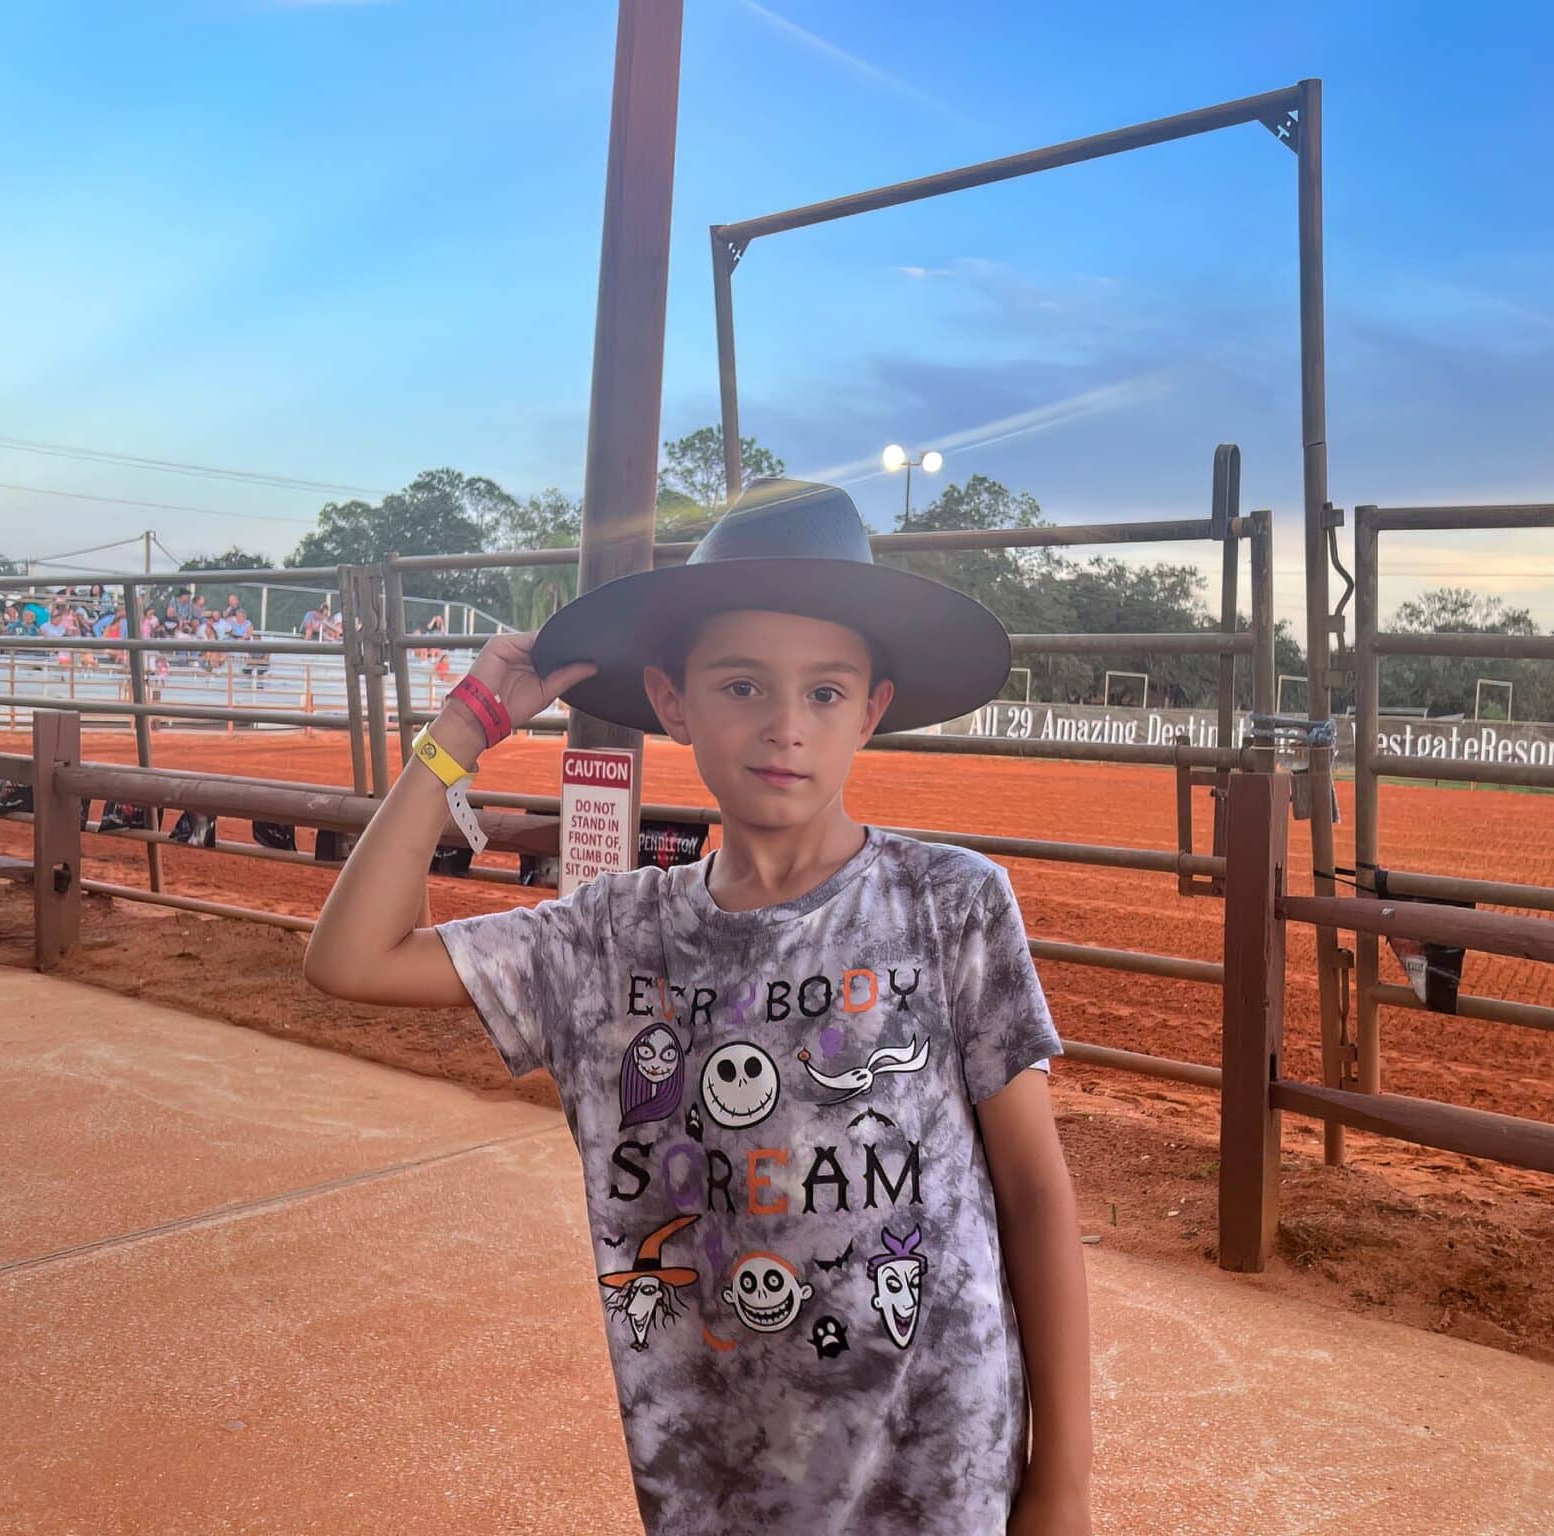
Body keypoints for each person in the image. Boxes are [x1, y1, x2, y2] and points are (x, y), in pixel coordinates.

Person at [305, 479, 1091, 1535]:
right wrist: (460, 734)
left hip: (939, 1475)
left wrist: (1061, 1485)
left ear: (872, 708)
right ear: (673, 701)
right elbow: (350, 958)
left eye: (823, 692)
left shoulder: (948, 903)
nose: (783, 726)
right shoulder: (606, 937)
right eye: (739, 686)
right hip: (717, 1480)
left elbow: (1034, 1194)